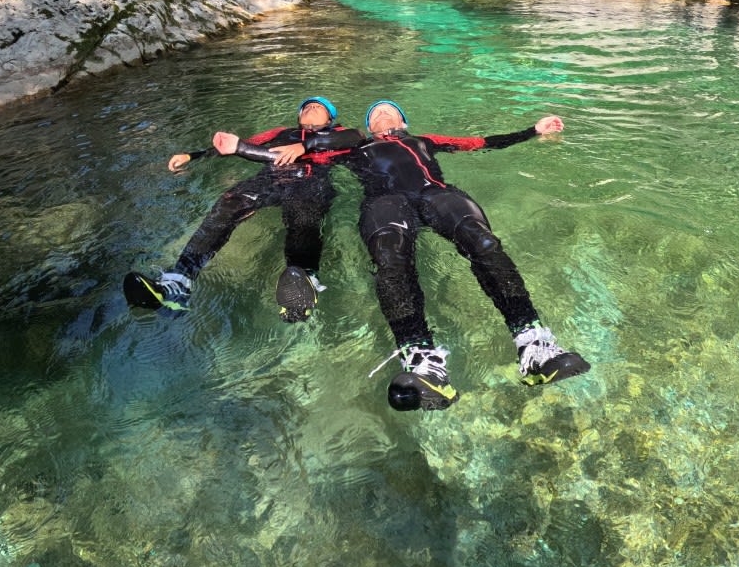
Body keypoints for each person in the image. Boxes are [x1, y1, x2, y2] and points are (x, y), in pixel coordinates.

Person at [319, 100, 590, 411]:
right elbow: (306, 156)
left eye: (390, 110)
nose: (382, 112)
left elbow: (482, 143)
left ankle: (534, 345)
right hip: (385, 201)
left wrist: (533, 131)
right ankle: (422, 362)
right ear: (369, 128)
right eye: (375, 113)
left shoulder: (425, 141)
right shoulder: (353, 148)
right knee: (390, 261)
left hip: (435, 193)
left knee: (483, 242)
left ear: (404, 122)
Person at [123, 97, 360, 322]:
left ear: (330, 119)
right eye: (306, 107)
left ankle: (304, 282)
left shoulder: (338, 134)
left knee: (303, 214)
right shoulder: (280, 132)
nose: (311, 107)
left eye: (319, 107)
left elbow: (356, 137)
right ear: (298, 116)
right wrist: (192, 156)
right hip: (270, 178)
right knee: (229, 203)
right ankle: (178, 283)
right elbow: (238, 146)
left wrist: (306, 145)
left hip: (310, 179)